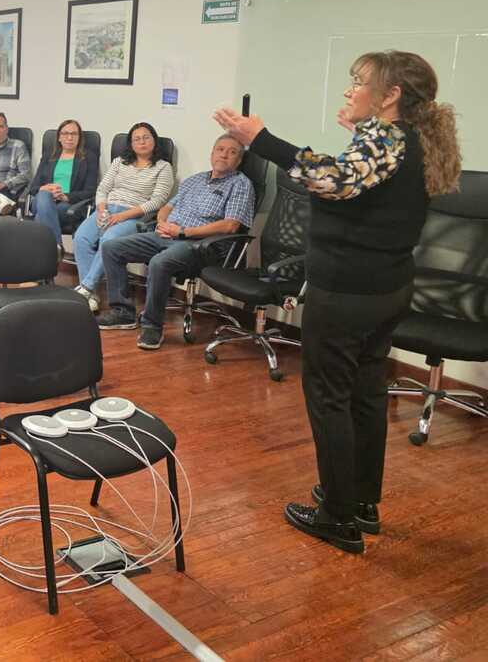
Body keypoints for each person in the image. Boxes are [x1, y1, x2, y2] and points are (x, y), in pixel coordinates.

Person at [214, 50, 460, 555]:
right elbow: (357, 181)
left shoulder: (387, 140)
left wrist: (260, 139)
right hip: (386, 290)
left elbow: (331, 180)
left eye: (359, 82)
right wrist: (358, 130)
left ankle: (337, 518)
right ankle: (360, 501)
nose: (349, 90)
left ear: (390, 95)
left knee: (330, 398)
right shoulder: (406, 140)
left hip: (347, 293)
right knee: (365, 394)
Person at [96, 135, 254, 350]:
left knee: (159, 262)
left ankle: (152, 326)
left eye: (232, 152)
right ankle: (123, 313)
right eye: (220, 149)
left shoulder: (240, 184)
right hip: (168, 235)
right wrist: (162, 223)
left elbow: (230, 226)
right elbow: (167, 208)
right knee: (111, 247)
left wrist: (183, 232)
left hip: (202, 245)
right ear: (212, 153)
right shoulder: (194, 180)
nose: (224, 154)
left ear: (239, 160)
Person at [72, 122, 175, 311]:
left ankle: (86, 287)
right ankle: (91, 296)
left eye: (146, 137)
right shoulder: (119, 162)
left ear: (154, 141)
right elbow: (102, 189)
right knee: (81, 238)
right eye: (137, 139)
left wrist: (122, 216)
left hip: (136, 216)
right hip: (107, 209)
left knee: (108, 240)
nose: (142, 142)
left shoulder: (163, 167)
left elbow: (157, 201)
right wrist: (102, 209)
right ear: (131, 144)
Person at [25, 119, 99, 247]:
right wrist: (45, 188)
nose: (69, 138)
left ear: (79, 138)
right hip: (41, 200)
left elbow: (90, 191)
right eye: (65, 134)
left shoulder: (89, 158)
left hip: (68, 205)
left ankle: (51, 250)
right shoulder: (49, 156)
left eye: (74, 134)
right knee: (44, 195)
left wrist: (65, 196)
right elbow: (34, 187)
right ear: (59, 137)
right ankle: (57, 247)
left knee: (40, 217)